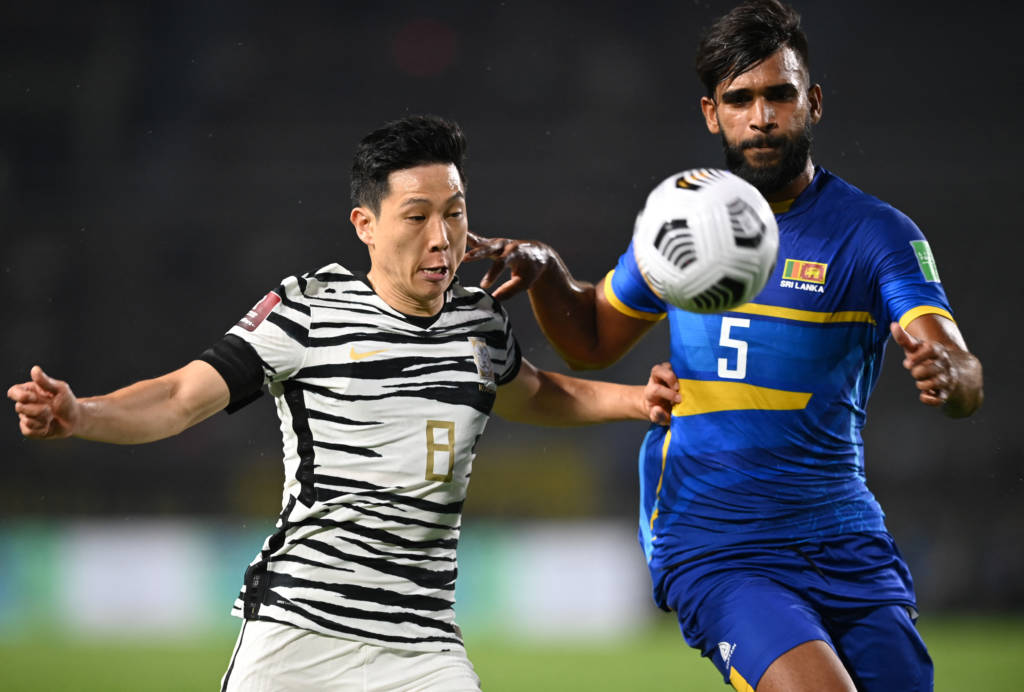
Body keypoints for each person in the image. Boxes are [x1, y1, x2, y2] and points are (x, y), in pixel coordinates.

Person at [7, 114, 680, 692]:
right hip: (298, 636)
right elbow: (182, 395)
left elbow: (531, 393)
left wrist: (637, 400)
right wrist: (82, 413)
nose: (441, 237)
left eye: (454, 213)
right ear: (366, 224)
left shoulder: (479, 320)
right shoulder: (306, 311)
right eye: (416, 216)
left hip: (423, 647)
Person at [463, 2, 983, 691]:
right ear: (712, 114)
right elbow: (590, 339)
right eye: (739, 100)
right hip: (717, 540)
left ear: (813, 103)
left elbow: (954, 361)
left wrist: (953, 373)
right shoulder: (684, 218)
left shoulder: (874, 233)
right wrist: (547, 273)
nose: (761, 117)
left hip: (844, 536)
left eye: (779, 95)